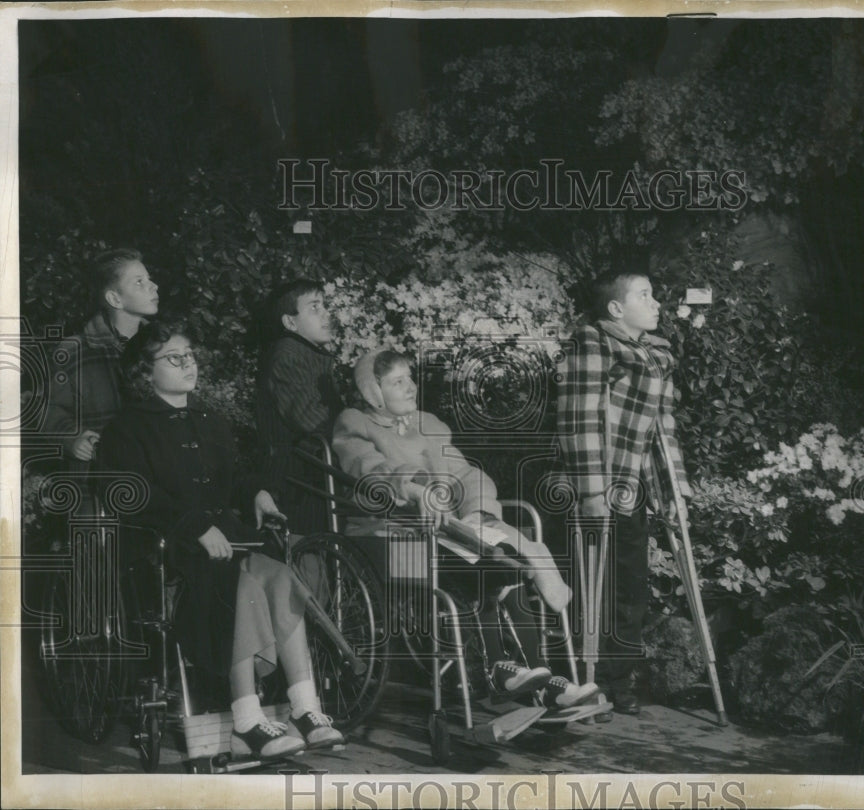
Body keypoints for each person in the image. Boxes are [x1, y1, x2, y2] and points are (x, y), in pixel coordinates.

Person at [98, 320, 343, 758]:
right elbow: (130, 493)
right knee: (245, 583)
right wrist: (192, 526)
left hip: (227, 541)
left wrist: (257, 493)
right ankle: (247, 720)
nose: (188, 363)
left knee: (284, 576)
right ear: (144, 371)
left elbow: (230, 481)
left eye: (190, 354)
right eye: (175, 357)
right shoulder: (127, 429)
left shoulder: (210, 420)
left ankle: (306, 709)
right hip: (167, 548)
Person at [332, 347, 600, 710]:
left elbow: (465, 473)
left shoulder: (427, 423)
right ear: (373, 392)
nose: (410, 386)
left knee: (505, 559)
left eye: (409, 377)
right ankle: (501, 671)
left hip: (444, 532)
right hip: (386, 535)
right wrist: (410, 486)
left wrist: (477, 512)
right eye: (397, 382)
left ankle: (542, 676)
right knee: (486, 564)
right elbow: (364, 467)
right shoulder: (354, 423)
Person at [555, 268, 689, 715]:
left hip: (633, 487)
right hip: (597, 480)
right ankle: (578, 677)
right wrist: (592, 490)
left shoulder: (658, 353)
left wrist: (674, 492)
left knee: (631, 584)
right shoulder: (593, 341)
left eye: (655, 295)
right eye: (644, 296)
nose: (656, 304)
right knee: (594, 582)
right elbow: (580, 416)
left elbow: (663, 428)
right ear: (616, 308)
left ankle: (618, 678)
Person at [42, 248, 159, 469]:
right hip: (98, 482)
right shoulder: (75, 351)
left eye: (149, 279)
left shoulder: (160, 347)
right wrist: (71, 437)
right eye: (139, 282)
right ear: (114, 298)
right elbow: (46, 408)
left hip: (156, 478)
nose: (154, 286)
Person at [255, 279, 342, 532]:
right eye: (315, 308)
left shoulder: (309, 353)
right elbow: (310, 420)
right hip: (295, 483)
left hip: (313, 476)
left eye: (324, 306)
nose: (326, 314)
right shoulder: (287, 354)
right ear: (290, 322)